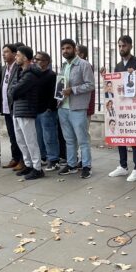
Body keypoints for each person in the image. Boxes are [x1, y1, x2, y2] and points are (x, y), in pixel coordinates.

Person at [108, 35, 136, 181]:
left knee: (133, 137)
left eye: (123, 46)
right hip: (121, 106)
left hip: (134, 107)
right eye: (119, 46)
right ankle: (123, 166)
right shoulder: (118, 65)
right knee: (121, 135)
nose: (121, 49)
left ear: (130, 46)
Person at [56, 38, 95, 178]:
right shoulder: (63, 66)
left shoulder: (84, 65)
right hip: (63, 108)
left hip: (78, 108)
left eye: (68, 48)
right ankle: (71, 164)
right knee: (69, 140)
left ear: (74, 48)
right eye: (63, 49)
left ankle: (86, 166)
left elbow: (90, 85)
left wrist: (72, 90)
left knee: (82, 140)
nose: (65, 51)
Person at [7, 45, 45, 180]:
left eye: (17, 55)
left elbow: (14, 91)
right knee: (21, 140)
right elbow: (11, 88)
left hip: (26, 110)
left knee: (30, 141)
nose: (15, 57)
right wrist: (13, 89)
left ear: (24, 57)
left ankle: (37, 168)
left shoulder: (30, 75)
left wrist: (13, 90)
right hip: (17, 109)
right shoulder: (20, 71)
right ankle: (28, 165)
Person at [34, 51, 61, 171]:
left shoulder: (51, 75)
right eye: (36, 59)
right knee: (39, 136)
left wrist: (50, 108)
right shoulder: (34, 74)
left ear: (46, 62)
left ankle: (54, 159)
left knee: (49, 137)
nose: (37, 62)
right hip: (37, 110)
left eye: (40, 59)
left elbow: (54, 94)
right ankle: (44, 157)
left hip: (47, 111)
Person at [0, 44, 25, 171]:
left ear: (15, 54)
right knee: (11, 135)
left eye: (7, 52)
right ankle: (15, 158)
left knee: (19, 135)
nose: (4, 54)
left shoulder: (18, 68)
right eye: (3, 52)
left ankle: (23, 160)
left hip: (16, 106)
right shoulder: (4, 68)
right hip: (6, 106)